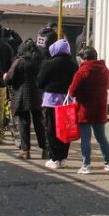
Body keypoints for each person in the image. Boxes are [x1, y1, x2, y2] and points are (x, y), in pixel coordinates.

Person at [68, 46, 109, 174]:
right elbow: (108, 85)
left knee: (86, 138)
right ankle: (108, 163)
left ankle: (86, 165)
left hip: (84, 109)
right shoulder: (105, 70)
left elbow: (72, 91)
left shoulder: (81, 72)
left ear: (84, 58)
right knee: (101, 137)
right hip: (100, 108)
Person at [37, 38, 79, 168]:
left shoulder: (49, 63)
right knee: (65, 129)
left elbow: (40, 82)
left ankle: (54, 159)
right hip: (67, 101)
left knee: (51, 129)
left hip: (51, 101)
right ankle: (62, 158)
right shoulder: (73, 65)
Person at [4, 39, 47, 160]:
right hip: (38, 96)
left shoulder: (20, 61)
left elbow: (9, 79)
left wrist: (5, 77)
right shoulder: (42, 62)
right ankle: (44, 150)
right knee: (40, 123)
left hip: (22, 96)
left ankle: (25, 150)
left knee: (24, 123)